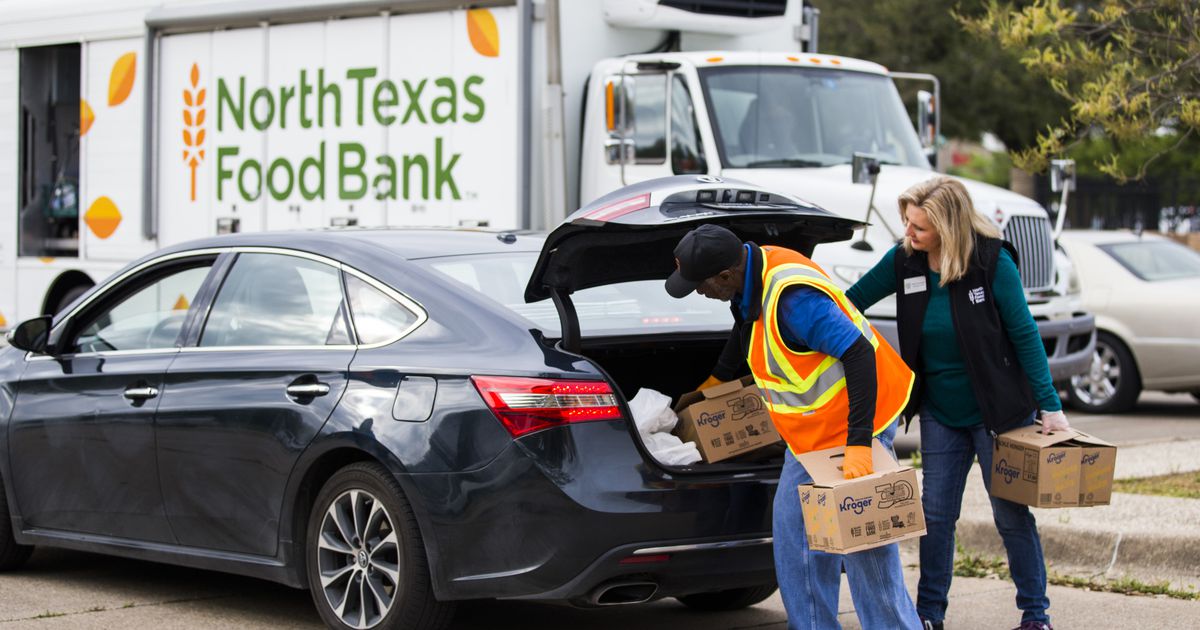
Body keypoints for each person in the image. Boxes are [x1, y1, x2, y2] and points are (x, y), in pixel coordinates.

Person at [666, 223, 921, 630]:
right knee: (795, 541)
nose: (699, 292)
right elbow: (745, 322)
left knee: (864, 548)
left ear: (726, 275)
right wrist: (716, 380)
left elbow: (858, 354)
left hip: (861, 425)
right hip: (809, 438)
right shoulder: (752, 270)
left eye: (700, 284)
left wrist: (859, 444)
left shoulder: (794, 301)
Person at [846, 176, 1070, 630]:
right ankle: (929, 614)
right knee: (935, 516)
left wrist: (1050, 406)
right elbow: (850, 303)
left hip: (999, 414)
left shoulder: (990, 262)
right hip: (941, 411)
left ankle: (1035, 615)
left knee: (1010, 515)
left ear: (947, 228)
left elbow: (1025, 335)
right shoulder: (904, 261)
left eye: (919, 228)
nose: (909, 234)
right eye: (908, 223)